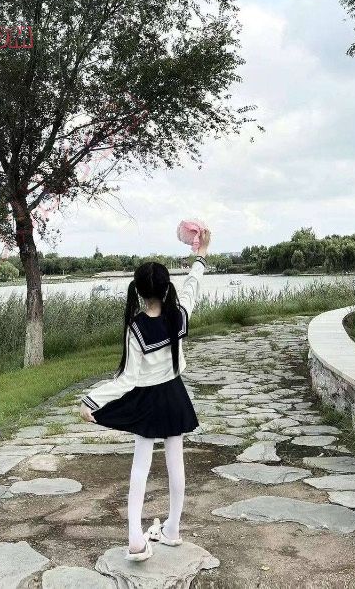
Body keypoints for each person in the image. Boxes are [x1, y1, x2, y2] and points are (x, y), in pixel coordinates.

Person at [78, 228, 211, 561]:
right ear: (167, 289)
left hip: (149, 400)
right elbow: (192, 287)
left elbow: (128, 379)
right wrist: (200, 255)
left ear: (138, 291)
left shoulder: (136, 327)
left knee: (141, 466)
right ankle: (172, 529)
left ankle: (136, 539)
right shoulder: (178, 315)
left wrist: (92, 400)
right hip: (175, 395)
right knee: (176, 464)